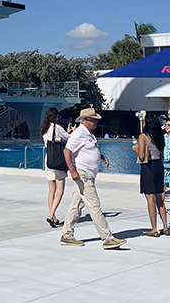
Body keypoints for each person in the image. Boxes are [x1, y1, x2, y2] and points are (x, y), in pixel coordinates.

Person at [60, 107, 126, 250]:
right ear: (87, 120)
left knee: (76, 206)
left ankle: (66, 235)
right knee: (94, 206)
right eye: (94, 119)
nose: (96, 121)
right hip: (83, 174)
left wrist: (99, 156)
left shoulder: (88, 134)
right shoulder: (79, 133)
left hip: (87, 173)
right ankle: (107, 238)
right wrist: (72, 170)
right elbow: (67, 150)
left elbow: (86, 150)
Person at [134, 114, 169, 237]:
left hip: (148, 167)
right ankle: (165, 227)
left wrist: (135, 149)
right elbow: (161, 156)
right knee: (160, 199)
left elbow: (142, 156)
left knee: (150, 199)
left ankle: (154, 229)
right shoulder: (159, 137)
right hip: (158, 166)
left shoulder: (143, 137)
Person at [40, 107, 72, 227]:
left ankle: (53, 217)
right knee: (60, 191)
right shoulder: (57, 128)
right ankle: (51, 215)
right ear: (56, 116)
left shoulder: (44, 128)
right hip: (58, 159)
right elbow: (69, 139)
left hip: (49, 159)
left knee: (51, 190)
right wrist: (71, 131)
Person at [162, 120, 170, 198]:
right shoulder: (163, 138)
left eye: (168, 125)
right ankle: (161, 204)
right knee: (163, 184)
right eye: (166, 125)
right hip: (164, 161)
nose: (166, 127)